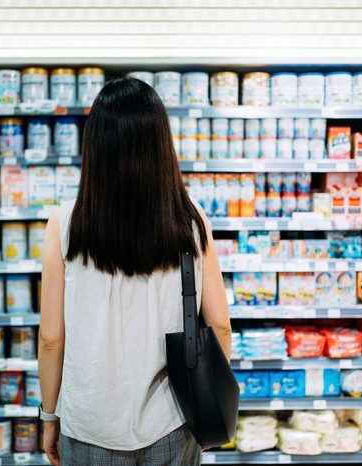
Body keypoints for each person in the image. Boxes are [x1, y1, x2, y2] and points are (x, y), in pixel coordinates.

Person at [38, 77, 232, 466]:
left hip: (90, 425)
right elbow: (220, 326)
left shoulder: (64, 223)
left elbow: (50, 338)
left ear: (94, 145)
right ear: (162, 144)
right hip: (172, 421)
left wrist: (49, 417)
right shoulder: (191, 222)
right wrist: (207, 403)